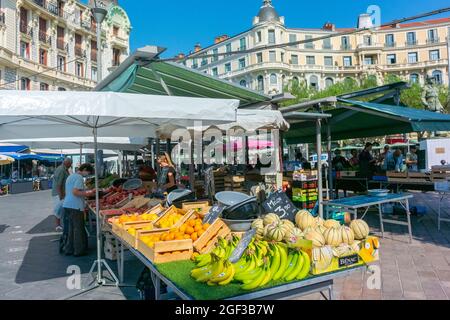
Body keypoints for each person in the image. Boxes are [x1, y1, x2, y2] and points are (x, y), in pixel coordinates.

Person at [62, 163, 94, 257]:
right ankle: (78, 251)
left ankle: (69, 248)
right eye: (87, 172)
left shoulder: (71, 176)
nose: (87, 174)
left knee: (72, 228)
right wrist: (88, 193)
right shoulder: (79, 177)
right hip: (75, 206)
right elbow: (75, 192)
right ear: (84, 169)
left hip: (67, 204)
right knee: (78, 228)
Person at [52, 157, 72, 232]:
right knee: (58, 210)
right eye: (70, 163)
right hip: (59, 193)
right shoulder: (61, 170)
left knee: (60, 210)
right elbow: (59, 184)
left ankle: (59, 225)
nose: (71, 165)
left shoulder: (64, 169)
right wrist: (61, 195)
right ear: (67, 163)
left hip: (62, 193)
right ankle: (58, 225)